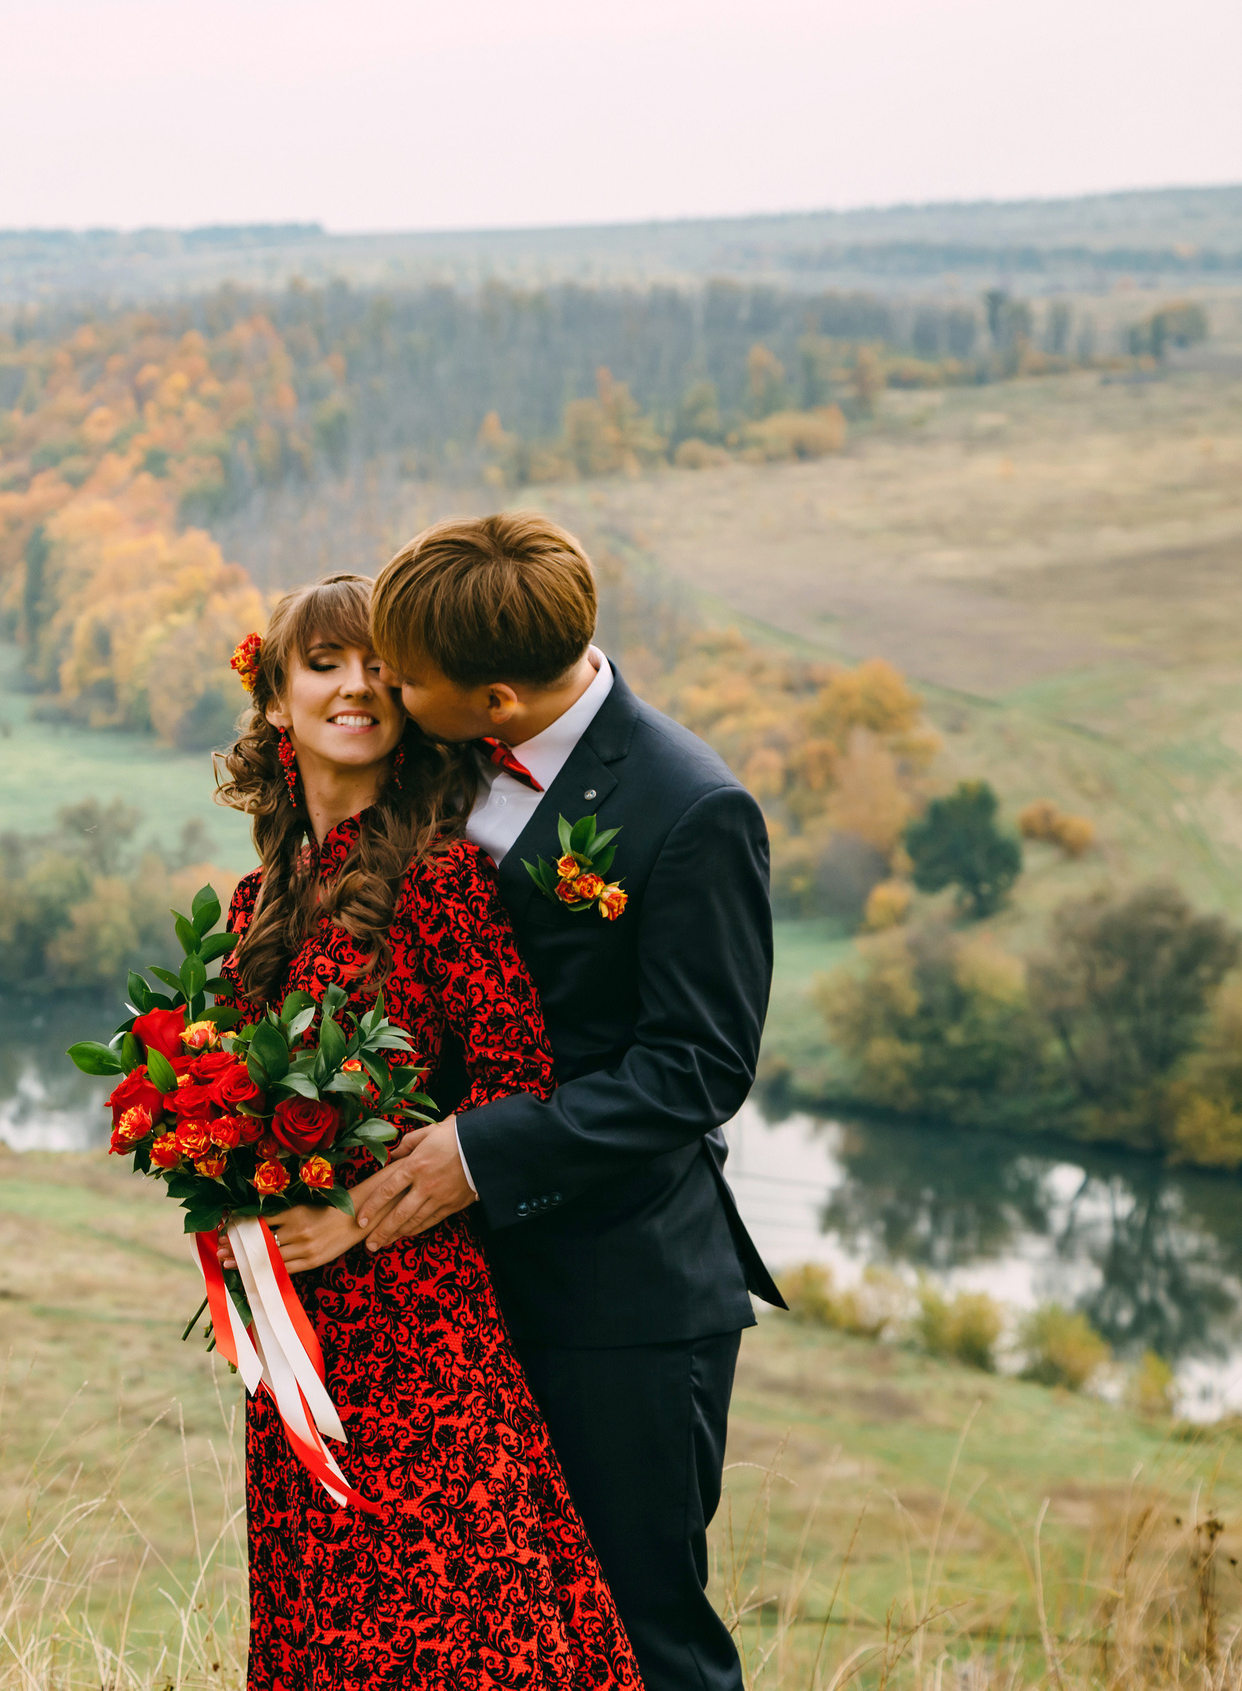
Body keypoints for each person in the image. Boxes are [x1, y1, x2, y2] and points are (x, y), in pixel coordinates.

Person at [350, 512, 785, 1691]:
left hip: (621, 1298)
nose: (385, 687)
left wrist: (477, 1155)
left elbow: (696, 1066)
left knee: (637, 1636)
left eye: (406, 675)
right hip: (457, 1288)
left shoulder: (692, 809)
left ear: (493, 698)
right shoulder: (438, 752)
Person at [213, 572, 641, 1691]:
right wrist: (223, 1210)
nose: (355, 687)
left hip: (420, 1336)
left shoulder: (443, 881)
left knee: (450, 1639)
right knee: (321, 1634)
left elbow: (518, 1088)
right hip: (296, 1343)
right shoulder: (254, 902)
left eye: (378, 670)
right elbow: (223, 1116)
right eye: (323, 664)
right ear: (274, 701)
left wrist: (359, 1210)